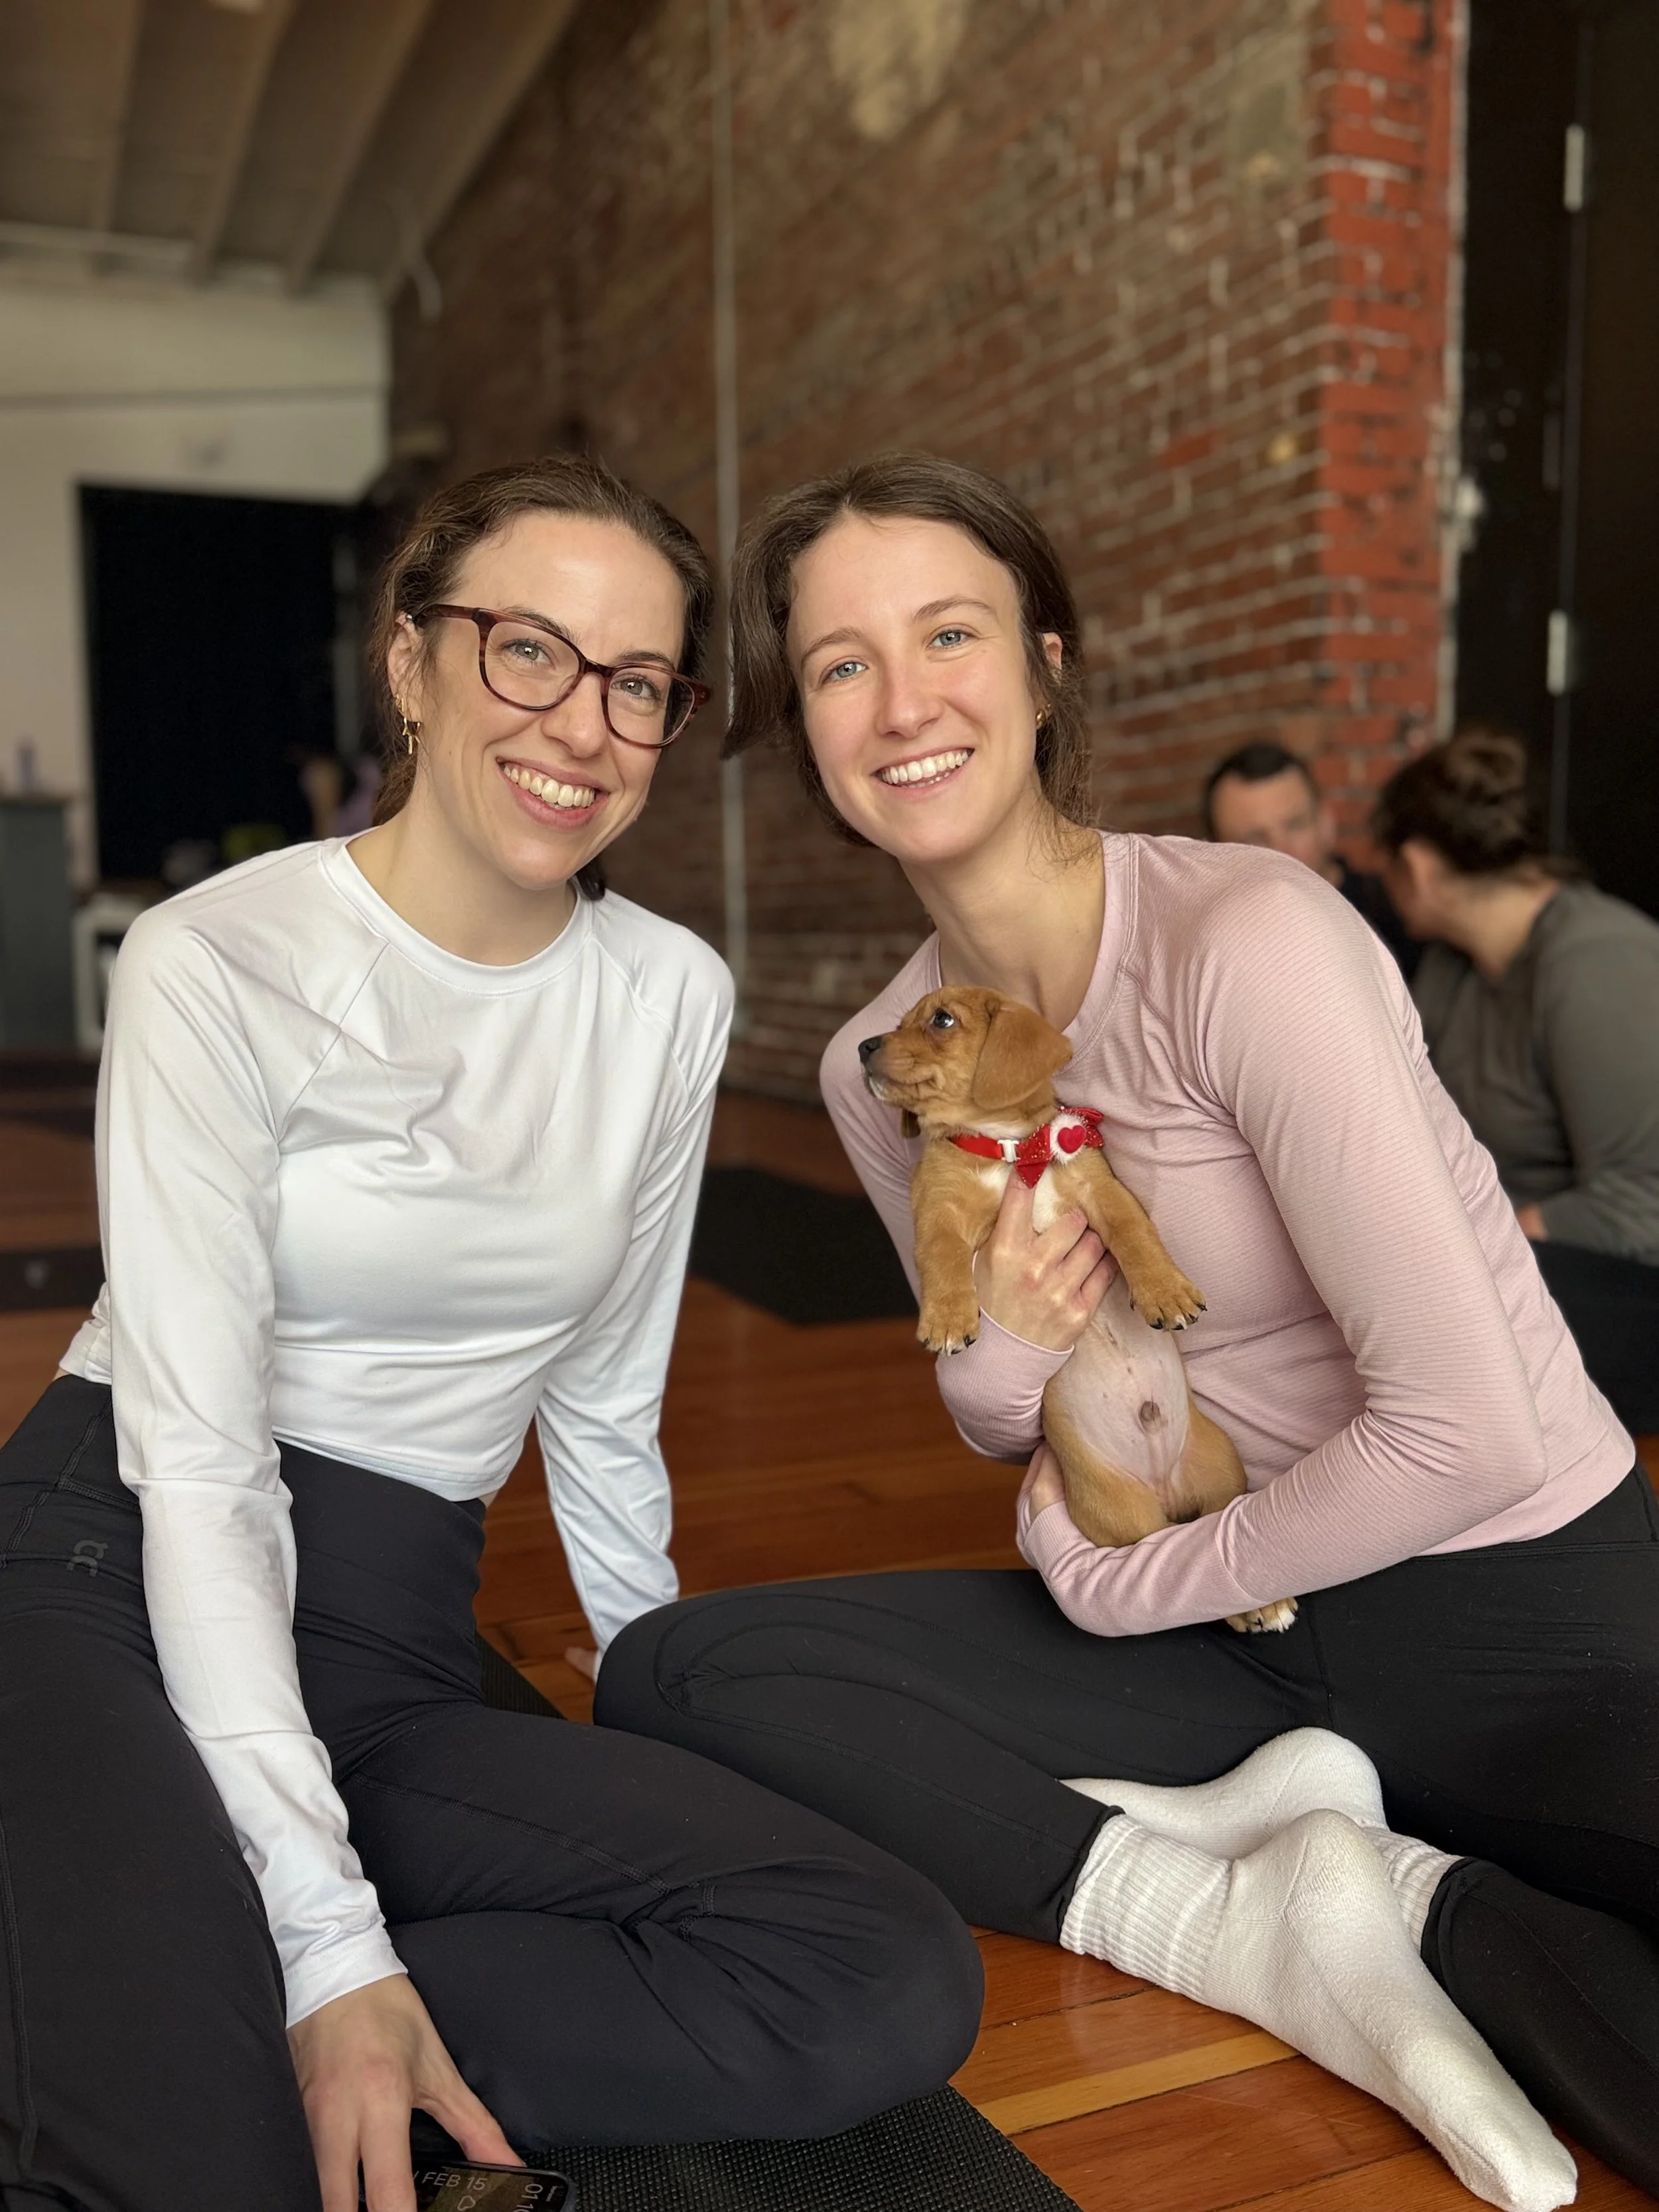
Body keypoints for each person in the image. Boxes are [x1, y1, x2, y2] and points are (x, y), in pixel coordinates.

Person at [598, 452, 1659, 2204]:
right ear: (806, 726)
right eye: (842, 662)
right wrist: (1023, 1358)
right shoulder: (884, 1064)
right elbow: (996, 1409)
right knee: (681, 1673)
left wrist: (1120, 1584)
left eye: (948, 632)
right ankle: (1251, 1912)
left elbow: (1465, 1428)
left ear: (1044, 667)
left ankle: (1404, 1900)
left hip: (1498, 1597)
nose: (902, 700)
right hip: (1229, 1628)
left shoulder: (1246, 937)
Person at [0, 455, 981, 2212]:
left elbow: (604, 1405)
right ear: (411, 659)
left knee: (879, 1967)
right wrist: (324, 1942)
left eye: (638, 682)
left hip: (382, 1637)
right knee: (204, 2158)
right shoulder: (217, 957)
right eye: (528, 649)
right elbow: (205, 1472)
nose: (582, 725)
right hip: (118, 1564)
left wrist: (650, 1725)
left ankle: (187, 2017)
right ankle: (192, 2017)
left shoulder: (666, 993)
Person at [1375, 726, 1659, 1429]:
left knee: (1430, 1318)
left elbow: (1644, 1201)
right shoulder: (1450, 968)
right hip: (1510, 1264)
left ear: (1416, 867)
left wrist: (1483, 1237)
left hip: (1615, 1281)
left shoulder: (1598, 963)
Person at [1204, 738, 1419, 976]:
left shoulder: (1400, 916)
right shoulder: (1212, 954)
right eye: (1254, 840)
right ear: (1214, 856)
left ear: (1326, 822)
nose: (1281, 851)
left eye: (1295, 825)